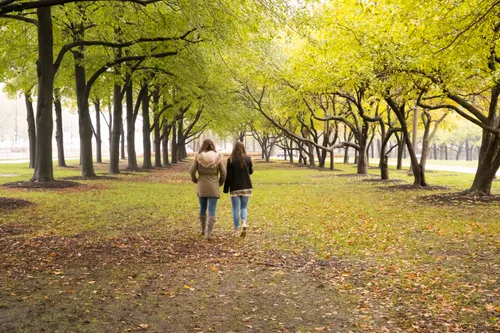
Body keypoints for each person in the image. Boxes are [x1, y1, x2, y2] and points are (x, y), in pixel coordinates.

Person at [189, 138, 226, 240]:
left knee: (202, 207)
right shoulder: (218, 157)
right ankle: (209, 233)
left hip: (202, 185)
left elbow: (191, 171)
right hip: (213, 184)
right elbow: (223, 172)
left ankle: (202, 229)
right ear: (212, 145)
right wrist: (220, 182)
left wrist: (195, 180)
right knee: (212, 209)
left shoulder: (199, 157)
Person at [223, 141, 253, 237]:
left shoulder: (230, 159)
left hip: (235, 188)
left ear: (234, 148)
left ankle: (236, 229)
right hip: (246, 186)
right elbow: (251, 171)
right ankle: (244, 222)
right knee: (244, 207)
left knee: (235, 208)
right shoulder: (248, 158)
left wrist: (226, 189)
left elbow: (229, 176)